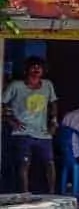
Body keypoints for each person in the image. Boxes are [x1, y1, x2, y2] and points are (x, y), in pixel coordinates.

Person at [6, 57, 58, 194]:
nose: (36, 69)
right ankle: (25, 194)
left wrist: (53, 122)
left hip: (42, 132)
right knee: (24, 163)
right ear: (26, 70)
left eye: (39, 67)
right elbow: (3, 103)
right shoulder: (16, 86)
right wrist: (10, 119)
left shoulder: (47, 85)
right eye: (33, 66)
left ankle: (52, 194)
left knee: (50, 163)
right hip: (22, 132)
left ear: (43, 70)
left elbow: (53, 103)